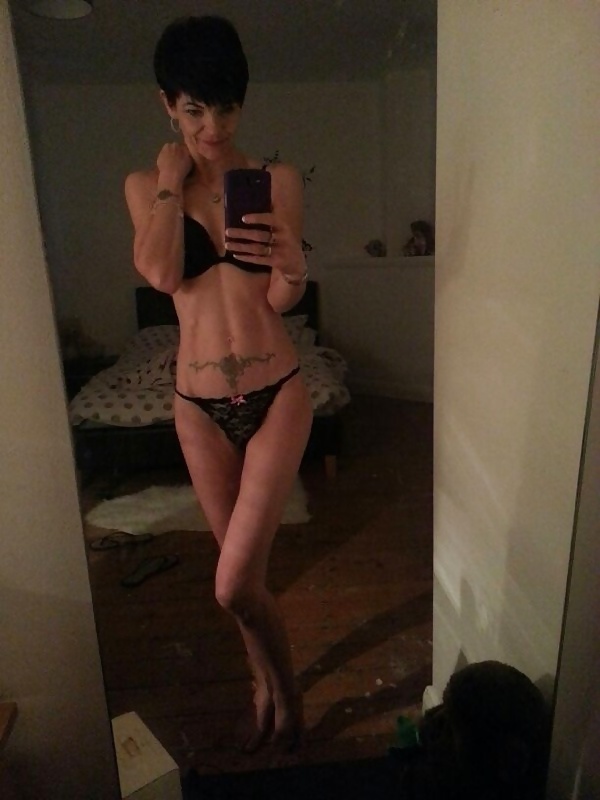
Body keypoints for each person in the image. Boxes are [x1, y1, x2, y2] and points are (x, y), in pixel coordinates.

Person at [124, 15, 312, 754]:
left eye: (227, 107)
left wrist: (293, 264)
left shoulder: (276, 181)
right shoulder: (146, 187)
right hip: (199, 410)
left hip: (277, 393)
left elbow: (279, 300)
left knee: (233, 583)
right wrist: (172, 186)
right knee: (244, 580)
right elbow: (162, 274)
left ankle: (286, 696)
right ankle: (262, 683)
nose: (213, 126)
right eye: (195, 108)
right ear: (167, 105)